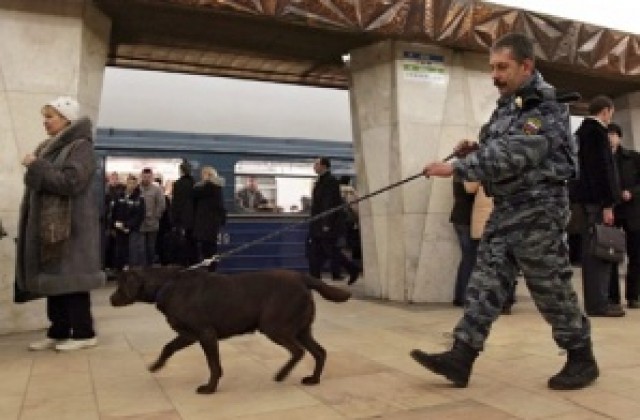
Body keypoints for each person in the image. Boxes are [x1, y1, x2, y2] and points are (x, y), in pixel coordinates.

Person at [410, 33, 597, 391]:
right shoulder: (510, 105)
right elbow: (502, 147)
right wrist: (475, 148)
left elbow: (517, 153)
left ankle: (582, 358)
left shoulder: (546, 106)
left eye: (502, 67)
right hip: (507, 207)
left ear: (526, 66)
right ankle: (461, 357)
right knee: (485, 284)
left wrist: (458, 169)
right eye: (492, 67)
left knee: (550, 288)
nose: (494, 75)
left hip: (538, 211)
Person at [16, 96, 105, 351]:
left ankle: (84, 333)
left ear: (66, 119)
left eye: (50, 116)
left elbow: (71, 182)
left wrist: (36, 165)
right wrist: (38, 167)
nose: (45, 122)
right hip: (51, 225)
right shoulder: (48, 147)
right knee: (54, 279)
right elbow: (39, 183)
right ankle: (58, 330)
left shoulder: (81, 147)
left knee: (72, 279)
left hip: (72, 226)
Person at [574, 96, 624, 317]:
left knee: (594, 251)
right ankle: (598, 304)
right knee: (599, 252)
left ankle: (599, 301)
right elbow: (600, 171)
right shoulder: (596, 133)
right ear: (606, 111)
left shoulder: (582, 132)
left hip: (585, 201)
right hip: (595, 203)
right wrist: (607, 204)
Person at [307, 157, 359, 284]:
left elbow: (328, 204)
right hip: (318, 224)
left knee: (330, 251)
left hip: (326, 225)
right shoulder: (320, 181)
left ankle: (352, 269)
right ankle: (314, 279)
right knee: (315, 252)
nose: (314, 166)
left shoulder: (330, 181)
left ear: (324, 166)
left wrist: (326, 224)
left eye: (316, 164)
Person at [607, 123, 640, 309]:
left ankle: (633, 296)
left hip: (633, 212)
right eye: (607, 135)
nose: (610, 138)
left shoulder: (633, 157)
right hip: (611, 211)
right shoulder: (601, 161)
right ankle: (613, 297)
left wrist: (632, 192)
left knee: (635, 255)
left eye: (612, 134)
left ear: (619, 137)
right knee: (610, 254)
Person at [193, 166, 227, 271]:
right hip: (213, 225)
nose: (201, 176)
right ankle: (212, 271)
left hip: (203, 223)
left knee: (204, 250)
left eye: (203, 174)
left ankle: (206, 272)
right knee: (212, 250)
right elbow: (220, 207)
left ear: (207, 175)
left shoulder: (199, 189)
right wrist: (221, 221)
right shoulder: (217, 189)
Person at [109, 174, 145, 269]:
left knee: (132, 253)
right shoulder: (119, 196)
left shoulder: (139, 199)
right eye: (129, 183)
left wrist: (127, 226)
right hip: (119, 229)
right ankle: (119, 271)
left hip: (132, 230)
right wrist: (113, 225)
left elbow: (140, 216)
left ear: (136, 184)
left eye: (133, 183)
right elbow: (114, 211)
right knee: (119, 251)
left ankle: (130, 271)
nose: (131, 185)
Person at [450, 176, 475, 306]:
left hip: (460, 218)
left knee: (467, 258)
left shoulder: (460, 172)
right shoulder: (468, 173)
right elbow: (472, 190)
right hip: (466, 219)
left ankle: (460, 296)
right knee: (470, 258)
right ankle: (464, 297)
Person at [138, 167, 166, 266]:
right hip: (139, 224)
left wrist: (156, 216)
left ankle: (150, 268)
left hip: (152, 224)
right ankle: (142, 268)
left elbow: (161, 204)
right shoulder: (137, 189)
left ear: (152, 177)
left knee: (150, 248)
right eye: (144, 176)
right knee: (141, 248)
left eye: (148, 177)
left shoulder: (157, 190)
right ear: (141, 176)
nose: (146, 179)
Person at [170, 160, 196, 266]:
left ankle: (183, 266)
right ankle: (193, 266)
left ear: (181, 171)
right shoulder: (194, 184)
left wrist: (173, 219)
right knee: (192, 245)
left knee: (182, 245)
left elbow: (176, 203)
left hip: (181, 220)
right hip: (193, 220)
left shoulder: (177, 184)